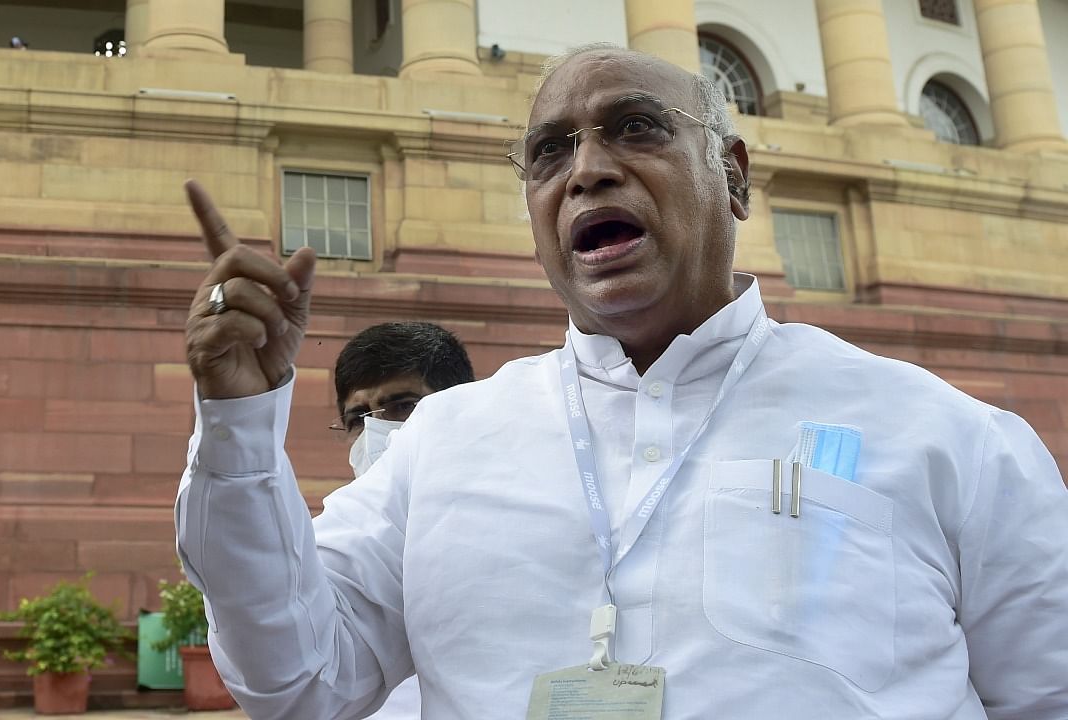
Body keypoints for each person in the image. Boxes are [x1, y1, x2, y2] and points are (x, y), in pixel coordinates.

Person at [174, 44, 1068, 719]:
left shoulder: (949, 439)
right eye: (550, 152)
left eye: (635, 128)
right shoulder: (440, 445)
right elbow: (297, 681)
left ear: (735, 177)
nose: (588, 169)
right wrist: (239, 424)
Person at [330, 321, 475, 718]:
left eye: (404, 405)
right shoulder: (336, 545)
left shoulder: (508, 526)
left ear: (460, 405)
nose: (375, 431)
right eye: (358, 417)